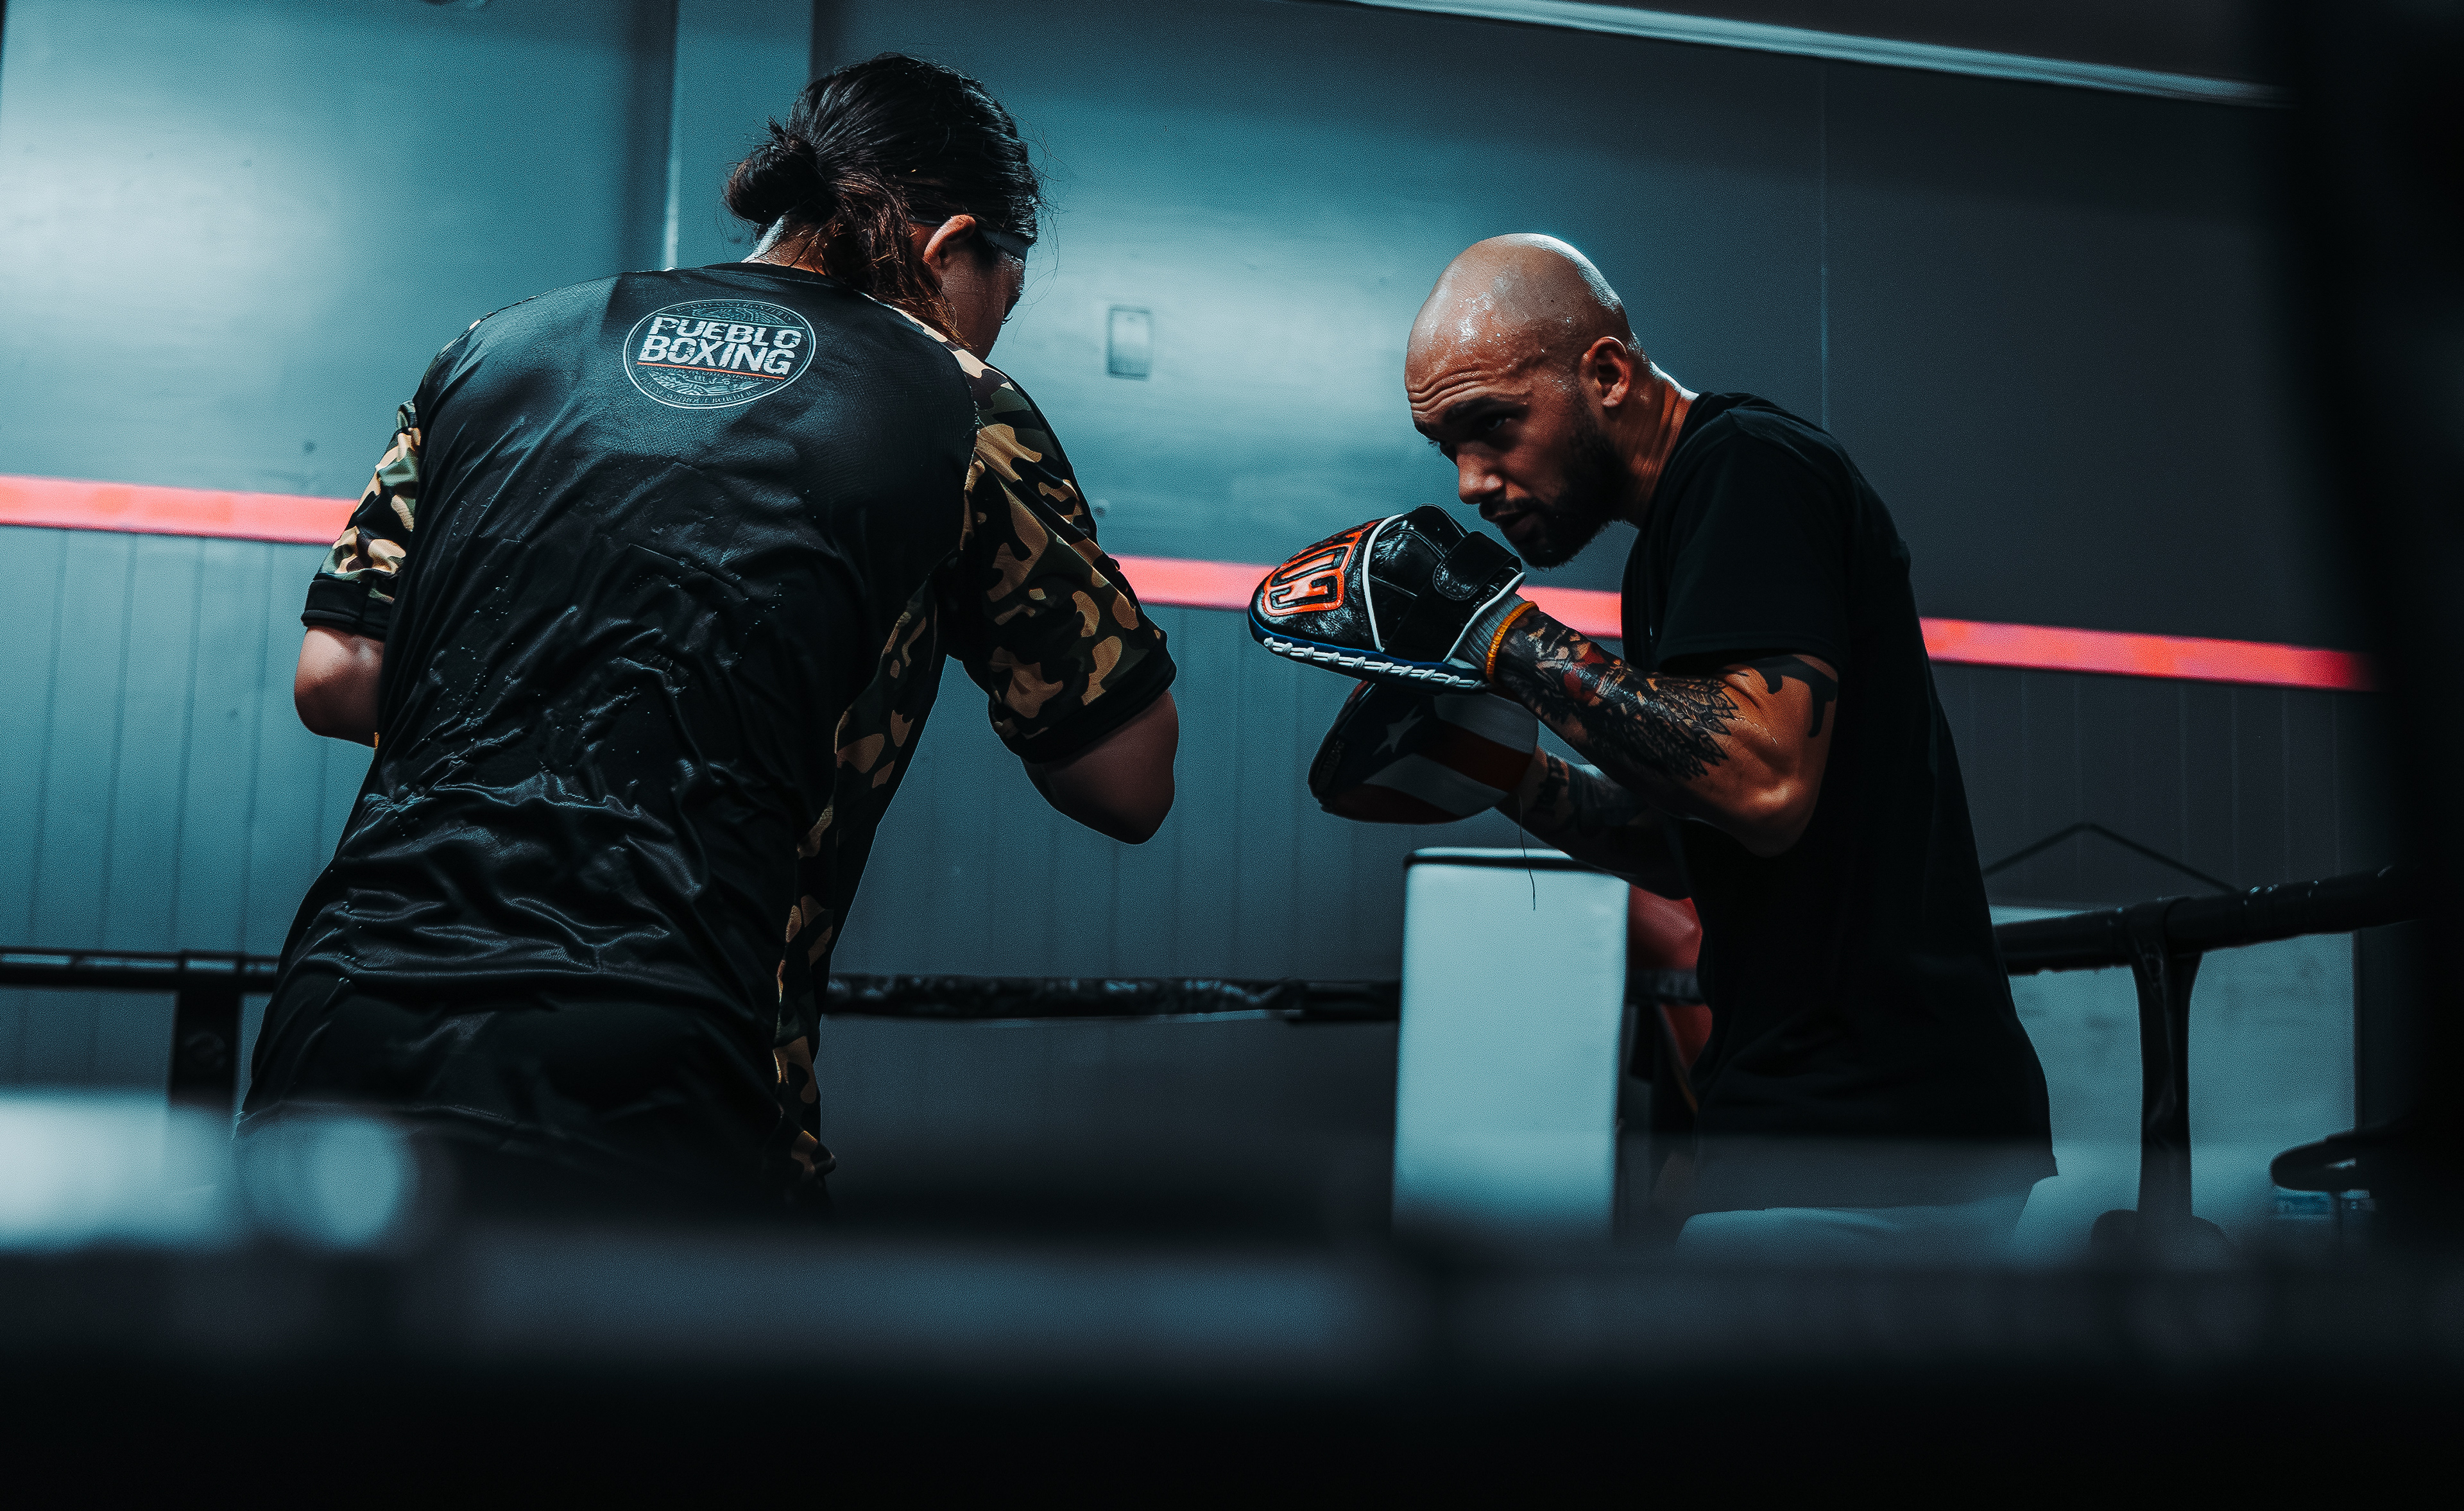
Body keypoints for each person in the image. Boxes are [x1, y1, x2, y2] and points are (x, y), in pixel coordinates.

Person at [252, 54, 1179, 1215]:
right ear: (950, 246)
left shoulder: (499, 347)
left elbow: (337, 676)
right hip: (660, 1043)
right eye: (1005, 295)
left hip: (349, 1012)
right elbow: (1127, 781)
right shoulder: (960, 401)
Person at [1268, 234, 2050, 1260]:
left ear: (1606, 374)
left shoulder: (1750, 468)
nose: (1470, 483)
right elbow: (1697, 841)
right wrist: (1509, 775)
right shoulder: (1666, 552)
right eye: (1445, 448)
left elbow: (1764, 781)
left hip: (1878, 1122)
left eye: (1493, 424)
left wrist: (1495, 633)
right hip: (1805, 1113)